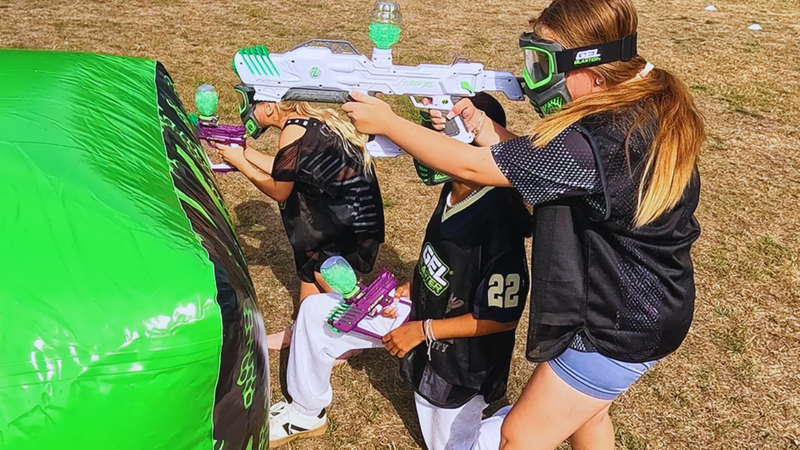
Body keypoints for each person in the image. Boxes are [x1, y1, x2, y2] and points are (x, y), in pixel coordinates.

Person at [342, 0, 705, 448]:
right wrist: (481, 124)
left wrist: (388, 122)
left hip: (618, 325)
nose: (533, 77)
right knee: (588, 418)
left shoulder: (602, 139)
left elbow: (473, 168)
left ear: (593, 72)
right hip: (648, 306)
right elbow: (545, 163)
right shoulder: (633, 108)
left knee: (519, 436)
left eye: (543, 64)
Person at [268, 94, 532, 450]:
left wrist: (422, 331)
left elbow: (501, 317)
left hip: (458, 352)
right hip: (420, 314)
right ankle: (305, 412)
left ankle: (535, 417)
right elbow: (448, 262)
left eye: (437, 134)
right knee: (316, 312)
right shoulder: (455, 188)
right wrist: (415, 284)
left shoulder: (499, 221)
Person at [216, 94, 385, 349]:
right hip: (348, 209)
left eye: (252, 104)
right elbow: (287, 168)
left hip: (350, 220)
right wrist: (246, 153)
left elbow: (279, 190)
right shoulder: (305, 121)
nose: (246, 111)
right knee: (309, 267)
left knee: (325, 270)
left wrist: (241, 163)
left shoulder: (292, 131)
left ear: (269, 106)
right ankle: (301, 331)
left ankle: (363, 327)